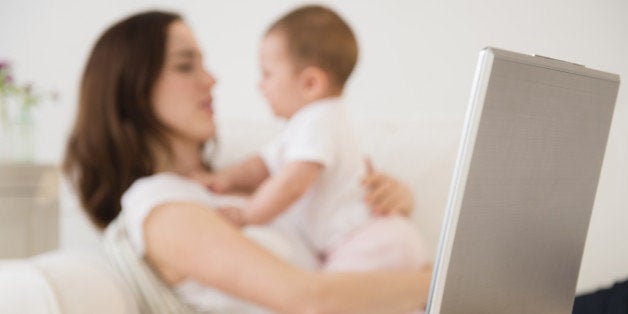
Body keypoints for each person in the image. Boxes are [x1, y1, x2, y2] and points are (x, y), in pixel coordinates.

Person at [63, 9, 431, 313]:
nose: (211, 79)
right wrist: (436, 280)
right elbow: (309, 300)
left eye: (204, 64)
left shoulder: (238, 181)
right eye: (185, 66)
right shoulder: (162, 205)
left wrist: (389, 199)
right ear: (133, 90)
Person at [193, 5, 429, 273]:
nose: (261, 86)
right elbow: (261, 165)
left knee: (336, 299)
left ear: (310, 84)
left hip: (367, 241)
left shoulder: (320, 120)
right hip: (374, 240)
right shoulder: (304, 126)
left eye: (267, 74)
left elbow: (294, 182)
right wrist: (224, 179)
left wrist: (249, 214)